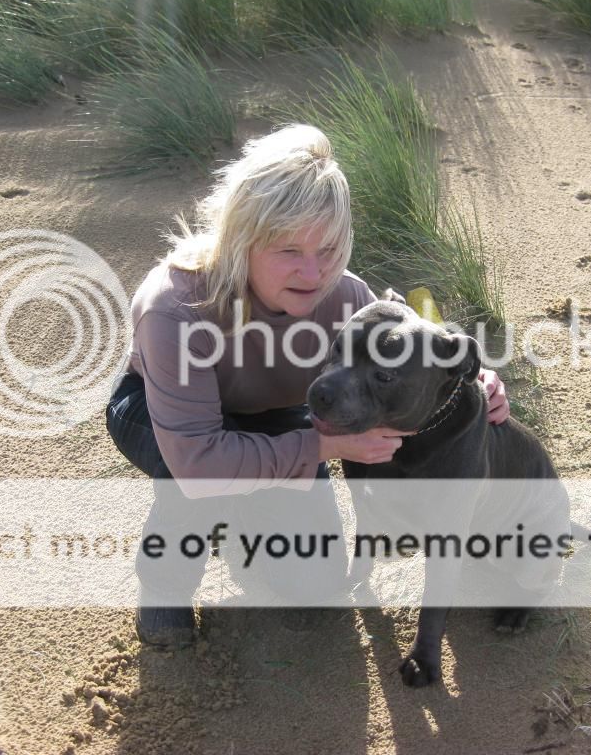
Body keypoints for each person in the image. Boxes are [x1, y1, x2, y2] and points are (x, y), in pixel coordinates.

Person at [105, 123, 510, 647]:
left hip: (279, 419)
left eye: (329, 247)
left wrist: (477, 377)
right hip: (165, 422)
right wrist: (325, 445)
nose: (313, 272)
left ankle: (243, 511)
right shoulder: (175, 307)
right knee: (198, 482)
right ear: (241, 239)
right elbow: (197, 461)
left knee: (314, 586)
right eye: (287, 250)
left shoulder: (345, 295)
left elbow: (419, 334)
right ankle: (163, 589)